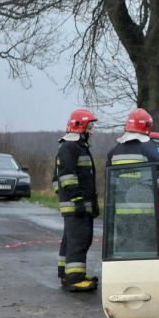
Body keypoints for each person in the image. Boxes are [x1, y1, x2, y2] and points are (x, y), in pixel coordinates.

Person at [106, 108, 159, 255]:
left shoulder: (114, 151)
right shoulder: (148, 148)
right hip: (144, 210)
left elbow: (110, 181)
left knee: (124, 248)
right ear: (147, 126)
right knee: (145, 249)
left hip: (122, 210)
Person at [54, 108, 99, 292]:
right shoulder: (69, 147)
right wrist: (78, 200)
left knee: (72, 239)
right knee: (79, 239)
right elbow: (67, 177)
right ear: (80, 126)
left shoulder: (76, 147)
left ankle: (67, 273)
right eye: (90, 126)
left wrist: (91, 203)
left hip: (77, 204)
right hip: (76, 204)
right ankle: (74, 278)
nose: (92, 131)